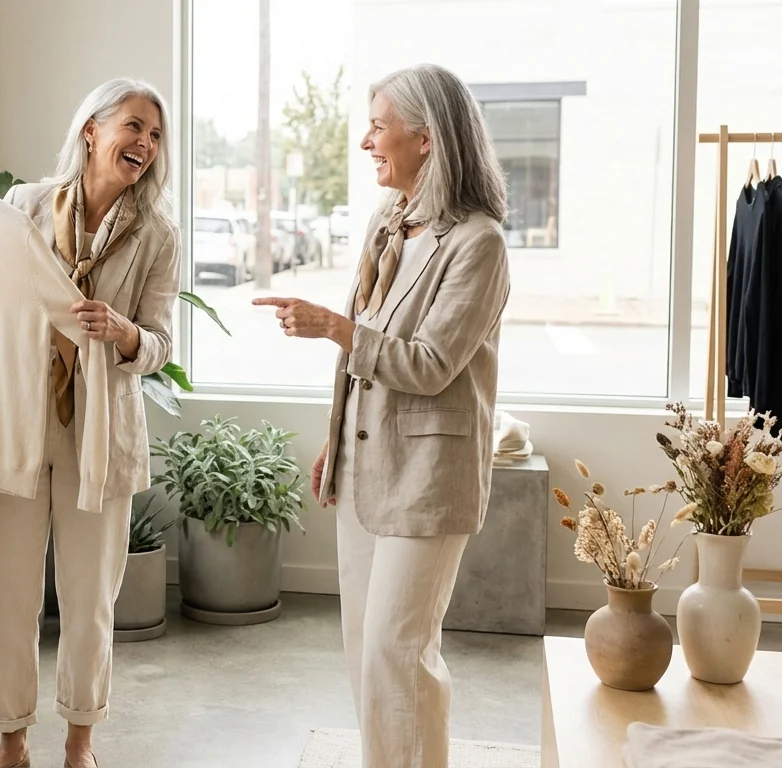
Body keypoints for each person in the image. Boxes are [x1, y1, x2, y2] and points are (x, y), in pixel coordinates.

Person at [0, 78, 179, 768]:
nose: (144, 143)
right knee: (6, 594)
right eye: (134, 126)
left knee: (89, 602)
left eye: (155, 135)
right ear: (91, 129)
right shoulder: (24, 206)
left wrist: (123, 334)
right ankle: (11, 739)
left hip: (99, 434)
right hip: (13, 423)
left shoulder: (157, 235)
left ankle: (81, 740)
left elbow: (161, 344)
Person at [253, 63, 510, 767]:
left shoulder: (477, 243)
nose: (367, 140)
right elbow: (365, 352)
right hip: (365, 470)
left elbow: (428, 364)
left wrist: (334, 328)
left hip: (428, 480)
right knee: (366, 653)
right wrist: (336, 442)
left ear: (425, 137)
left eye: (378, 125)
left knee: (400, 653)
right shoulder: (387, 224)